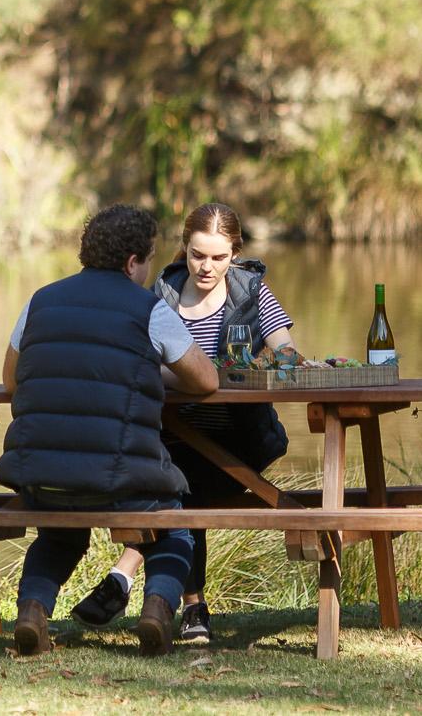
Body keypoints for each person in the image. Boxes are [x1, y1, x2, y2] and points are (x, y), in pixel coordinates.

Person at [0, 204, 218, 656]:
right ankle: (156, 610)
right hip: (118, 480)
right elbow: (206, 380)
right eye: (150, 260)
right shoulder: (149, 309)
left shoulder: (40, 300)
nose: (150, 269)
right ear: (132, 261)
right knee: (173, 524)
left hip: (38, 474)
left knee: (58, 533)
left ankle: (32, 613)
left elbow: (10, 379)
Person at [67, 201, 296, 642]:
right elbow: (138, 361)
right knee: (179, 481)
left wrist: (227, 370)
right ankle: (190, 611)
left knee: (177, 486)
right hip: (172, 438)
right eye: (196, 255)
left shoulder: (252, 291)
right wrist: (194, 376)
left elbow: (285, 352)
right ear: (183, 248)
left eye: (218, 257)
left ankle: (126, 574)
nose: (206, 267)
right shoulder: (162, 294)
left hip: (239, 442)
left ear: (235, 252)